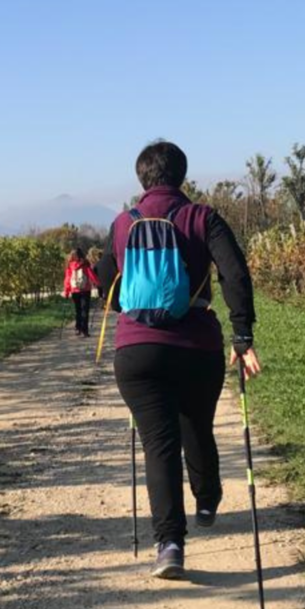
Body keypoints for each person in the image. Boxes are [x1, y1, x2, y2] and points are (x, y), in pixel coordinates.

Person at [94, 141, 261, 579]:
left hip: (137, 351)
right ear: (182, 176)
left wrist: (137, 311)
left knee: (159, 446)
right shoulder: (202, 216)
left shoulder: (121, 224)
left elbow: (106, 289)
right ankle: (206, 499)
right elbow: (235, 273)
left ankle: (169, 545)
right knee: (197, 427)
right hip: (197, 346)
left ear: (141, 178)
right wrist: (242, 334)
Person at [62, 248, 100, 336]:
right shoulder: (85, 264)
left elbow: (67, 279)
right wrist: (98, 284)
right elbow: (91, 275)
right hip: (85, 290)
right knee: (85, 310)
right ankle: (85, 330)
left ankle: (77, 328)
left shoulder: (69, 266)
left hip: (75, 291)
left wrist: (67, 291)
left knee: (78, 310)